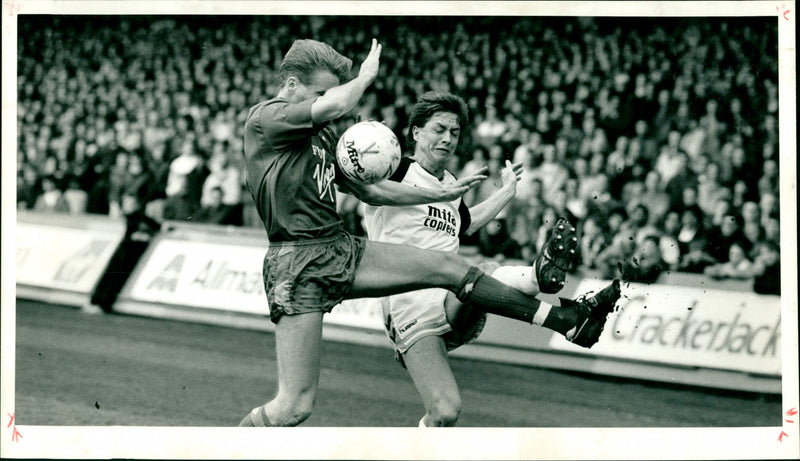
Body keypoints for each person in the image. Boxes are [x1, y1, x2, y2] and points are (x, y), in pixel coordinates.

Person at [237, 39, 620, 428]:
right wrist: (364, 78)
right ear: (289, 86)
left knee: (451, 268)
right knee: (294, 406)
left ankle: (568, 320)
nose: (326, 101)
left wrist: (440, 192)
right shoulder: (266, 118)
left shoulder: (319, 138)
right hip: (296, 260)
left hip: (338, 247)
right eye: (320, 92)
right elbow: (339, 106)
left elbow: (370, 190)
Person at [361, 90, 621, 427]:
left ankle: (537, 279)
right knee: (445, 412)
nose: (448, 139)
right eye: (439, 129)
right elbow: (365, 188)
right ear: (415, 132)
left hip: (453, 296)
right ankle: (559, 306)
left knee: (478, 271)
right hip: (406, 307)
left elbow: (464, 223)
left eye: (454, 133)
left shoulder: (451, 184)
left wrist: (507, 192)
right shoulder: (394, 172)